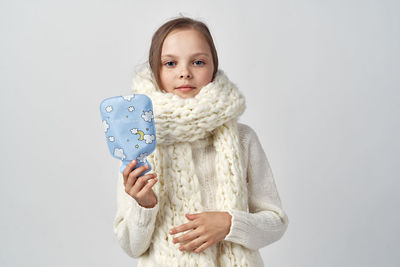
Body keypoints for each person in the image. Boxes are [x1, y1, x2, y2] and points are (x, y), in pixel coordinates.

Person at [113, 16, 289, 267]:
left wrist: (229, 223)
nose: (184, 72)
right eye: (170, 63)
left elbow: (276, 222)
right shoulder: (139, 142)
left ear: (213, 68)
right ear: (156, 70)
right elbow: (132, 247)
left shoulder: (243, 138)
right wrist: (145, 204)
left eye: (198, 62)